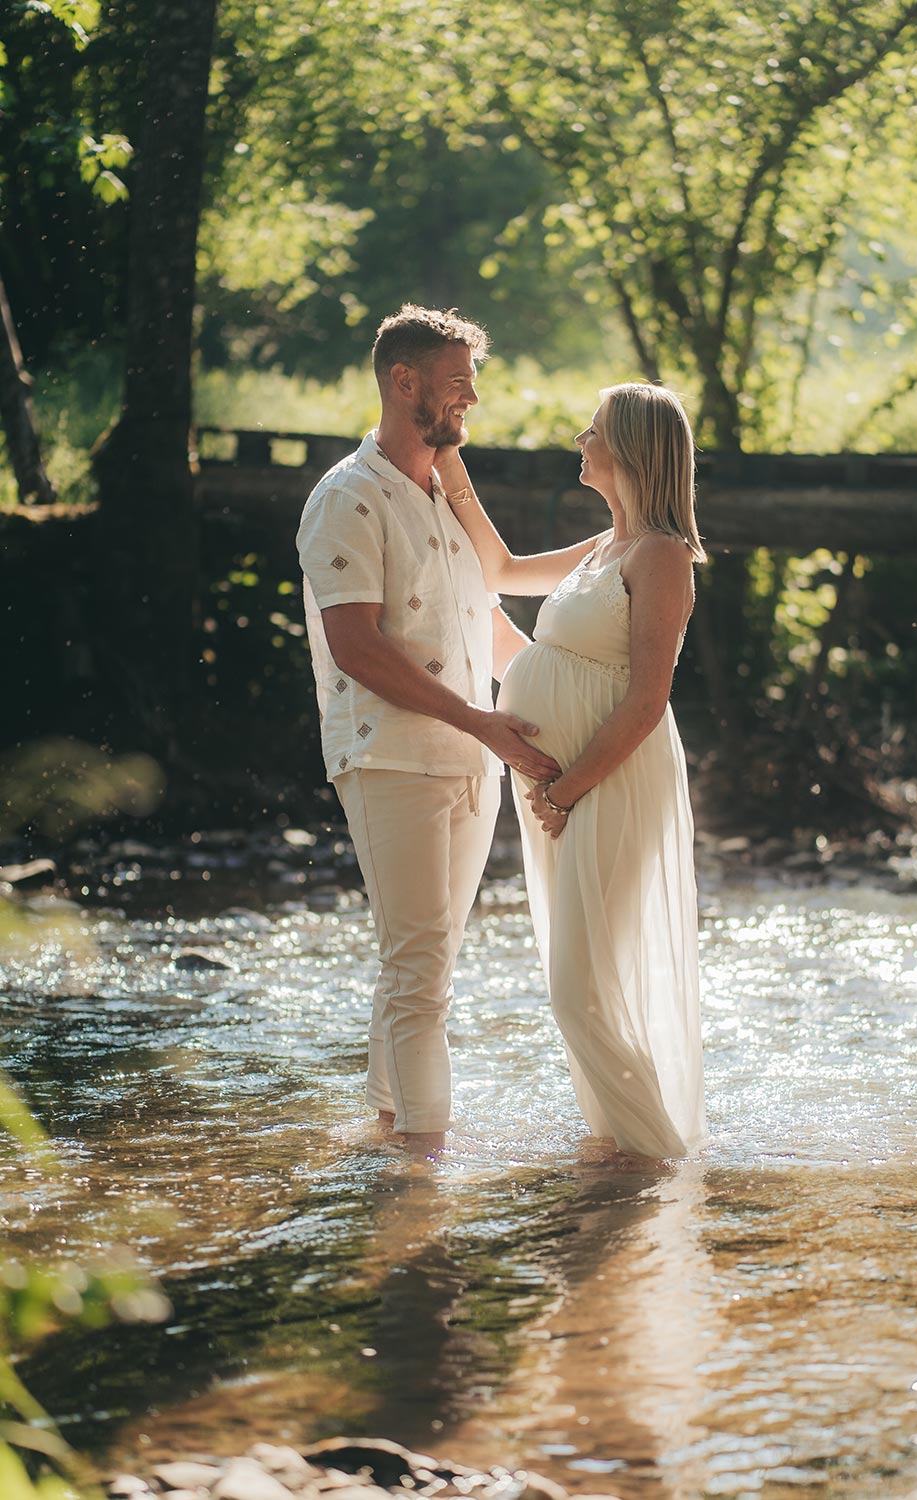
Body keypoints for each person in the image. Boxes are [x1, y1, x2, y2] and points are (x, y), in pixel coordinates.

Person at [296, 305, 600, 1151]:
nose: (471, 396)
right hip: (389, 757)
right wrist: (482, 723)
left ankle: (388, 1126)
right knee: (421, 967)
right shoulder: (346, 498)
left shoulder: (445, 491)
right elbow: (357, 646)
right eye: (458, 381)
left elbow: (488, 621)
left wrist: (562, 706)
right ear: (405, 382)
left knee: (425, 960)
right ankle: (425, 1167)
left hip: (473, 761)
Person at [435, 382, 707, 1159]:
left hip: (609, 782)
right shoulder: (603, 546)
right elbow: (502, 568)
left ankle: (658, 1162)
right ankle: (621, 1149)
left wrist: (566, 789)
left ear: (627, 450)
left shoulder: (662, 556)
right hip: (563, 789)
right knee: (582, 979)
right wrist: (449, 466)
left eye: (591, 432)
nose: (579, 443)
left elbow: (648, 700)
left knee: (579, 987)